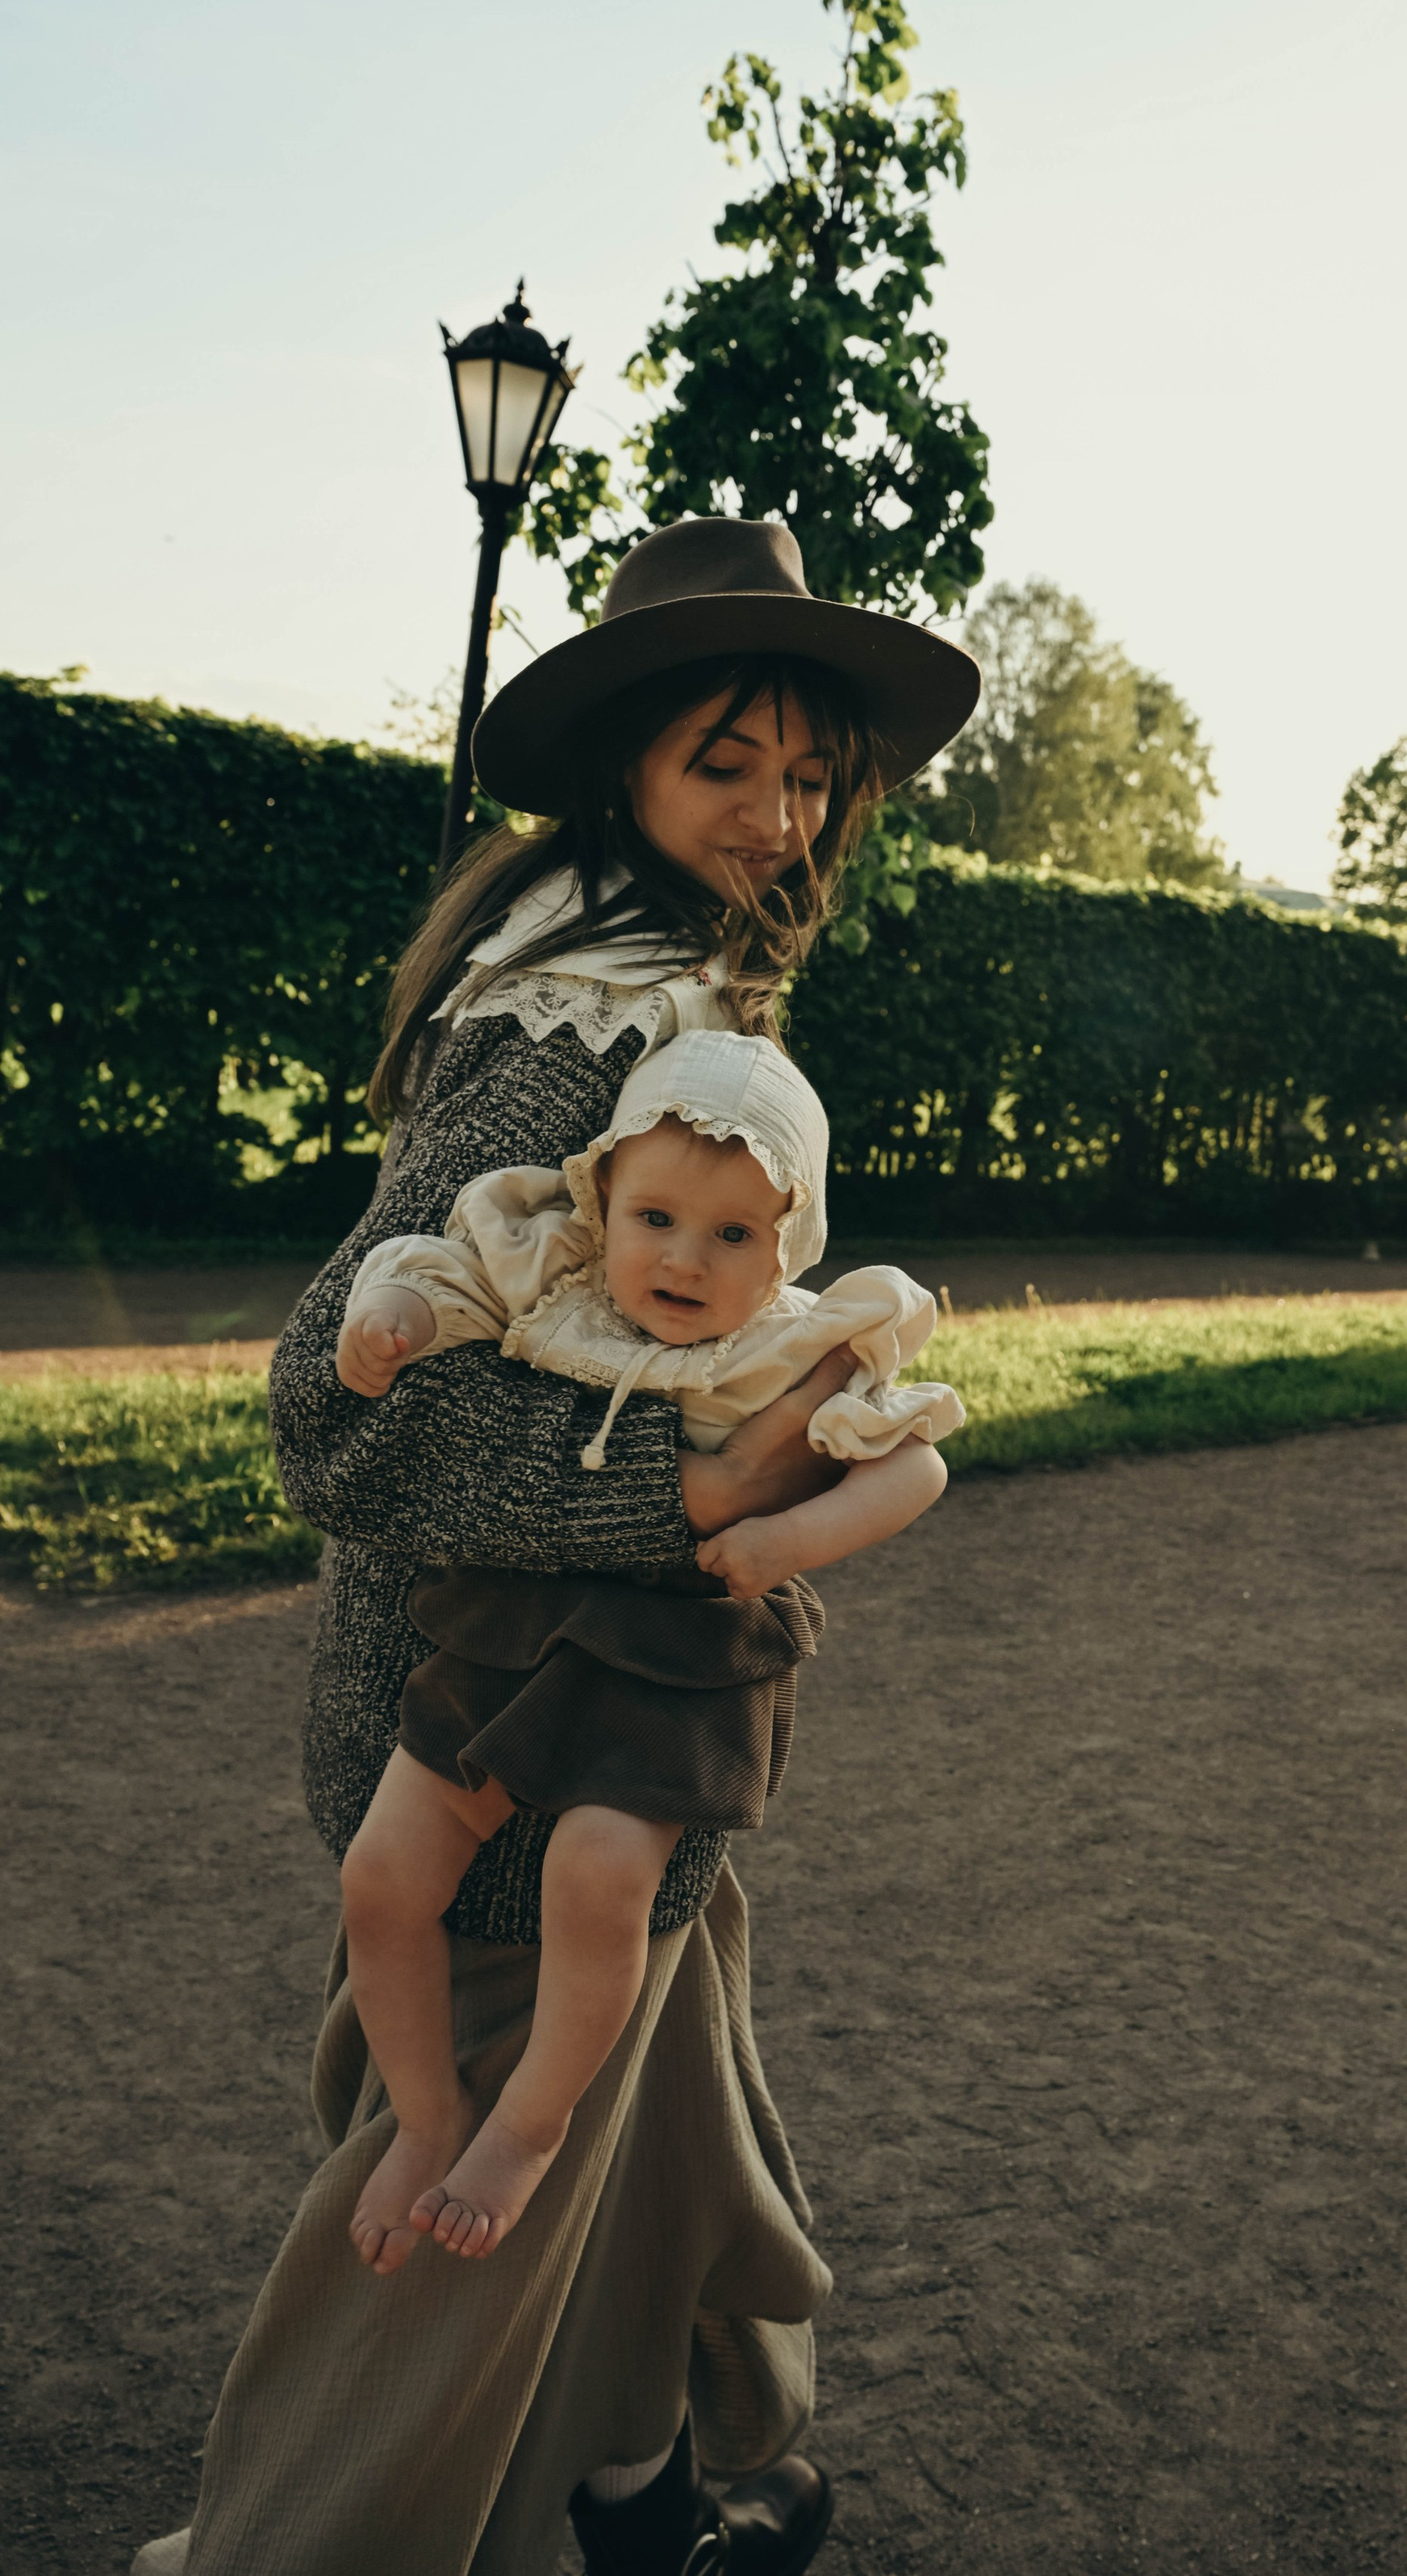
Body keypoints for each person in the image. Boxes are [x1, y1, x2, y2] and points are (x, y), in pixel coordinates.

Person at [136, 517, 979, 2576]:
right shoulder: (571, 1032)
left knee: (652, 2141)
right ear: (626, 766)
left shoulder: (666, 991)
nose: (777, 817)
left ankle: (643, 2503)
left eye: (808, 777)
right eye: (730, 766)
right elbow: (330, 1409)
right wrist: (686, 1502)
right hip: (513, 1724)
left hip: (624, 1715)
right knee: (437, 2259)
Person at [331, 1027, 962, 2274]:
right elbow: (434, 1271)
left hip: (678, 1654)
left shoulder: (787, 1345)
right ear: (602, 1199)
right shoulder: (553, 1275)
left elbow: (919, 1464)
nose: (683, 1257)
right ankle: (424, 2118)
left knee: (600, 1877)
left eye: (733, 1236)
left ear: (788, 1248)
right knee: (382, 1878)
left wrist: (790, 1543)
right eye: (658, 1216)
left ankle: (525, 2124)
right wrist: (390, 1320)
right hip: (515, 1626)